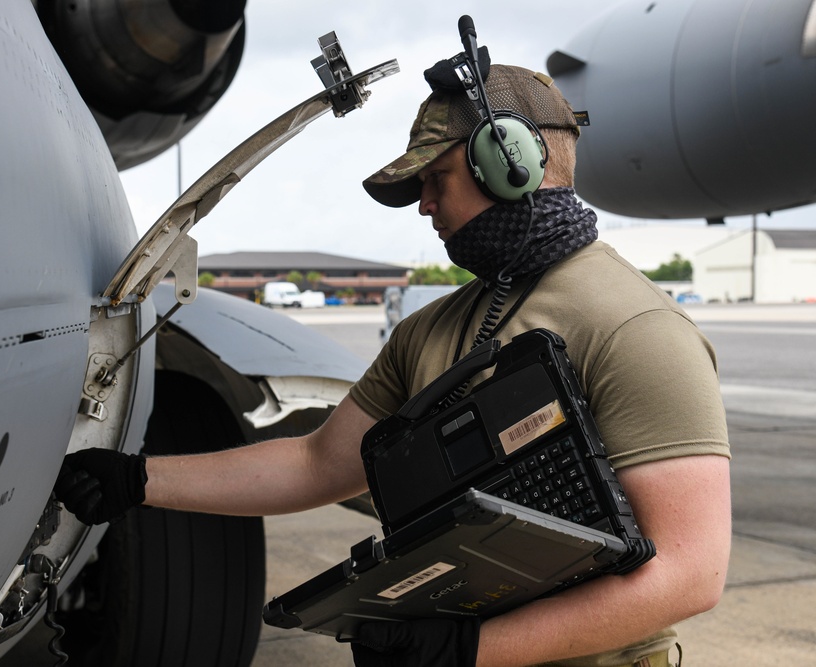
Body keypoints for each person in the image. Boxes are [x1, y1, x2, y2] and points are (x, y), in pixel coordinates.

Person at [55, 54, 731, 667]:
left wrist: (468, 650)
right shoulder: (428, 332)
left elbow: (690, 571)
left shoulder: (636, 327)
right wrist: (139, 480)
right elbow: (318, 462)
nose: (426, 207)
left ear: (510, 160)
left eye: (436, 179)